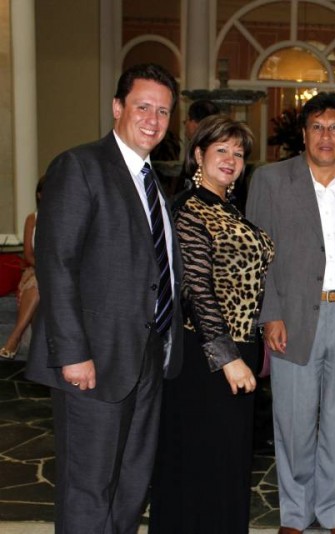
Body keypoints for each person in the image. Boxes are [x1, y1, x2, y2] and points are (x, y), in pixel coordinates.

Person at [25, 63, 183, 533]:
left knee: (132, 484)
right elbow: (56, 264)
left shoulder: (155, 183)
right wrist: (72, 354)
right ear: (118, 108)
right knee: (88, 488)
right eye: (143, 107)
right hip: (91, 362)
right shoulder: (80, 166)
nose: (153, 120)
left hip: (148, 358)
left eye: (163, 111)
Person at [246, 92, 335, 534]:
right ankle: (296, 513)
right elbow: (257, 257)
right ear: (304, 133)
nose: (327, 136)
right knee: (294, 420)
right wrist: (270, 314)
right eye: (318, 127)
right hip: (294, 317)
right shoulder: (270, 180)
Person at [148, 116, 274, 533]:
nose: (232, 159)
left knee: (228, 464)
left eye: (239, 153)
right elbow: (195, 290)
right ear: (198, 154)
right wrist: (227, 358)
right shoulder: (188, 208)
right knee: (199, 465)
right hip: (206, 358)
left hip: (241, 349)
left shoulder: (228, 208)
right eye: (222, 149)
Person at [0, 178, 44, 359]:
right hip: (36, 269)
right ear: (39, 195)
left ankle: (18, 340)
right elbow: (28, 255)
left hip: (60, 271)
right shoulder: (33, 219)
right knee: (37, 285)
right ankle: (16, 337)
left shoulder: (67, 216)